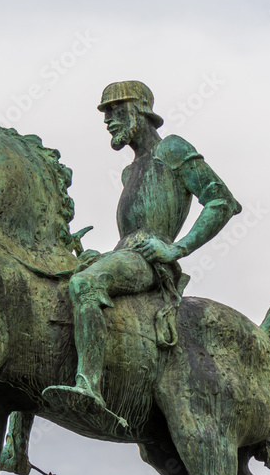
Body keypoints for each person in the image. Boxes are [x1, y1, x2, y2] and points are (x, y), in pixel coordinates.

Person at [41, 80, 242, 423]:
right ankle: (19, 434)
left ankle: (89, 386)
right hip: (126, 252)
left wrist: (177, 248)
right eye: (106, 113)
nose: (108, 120)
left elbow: (221, 201)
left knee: (84, 286)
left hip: (149, 259)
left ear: (140, 112)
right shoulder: (129, 171)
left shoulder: (173, 150)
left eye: (115, 111)